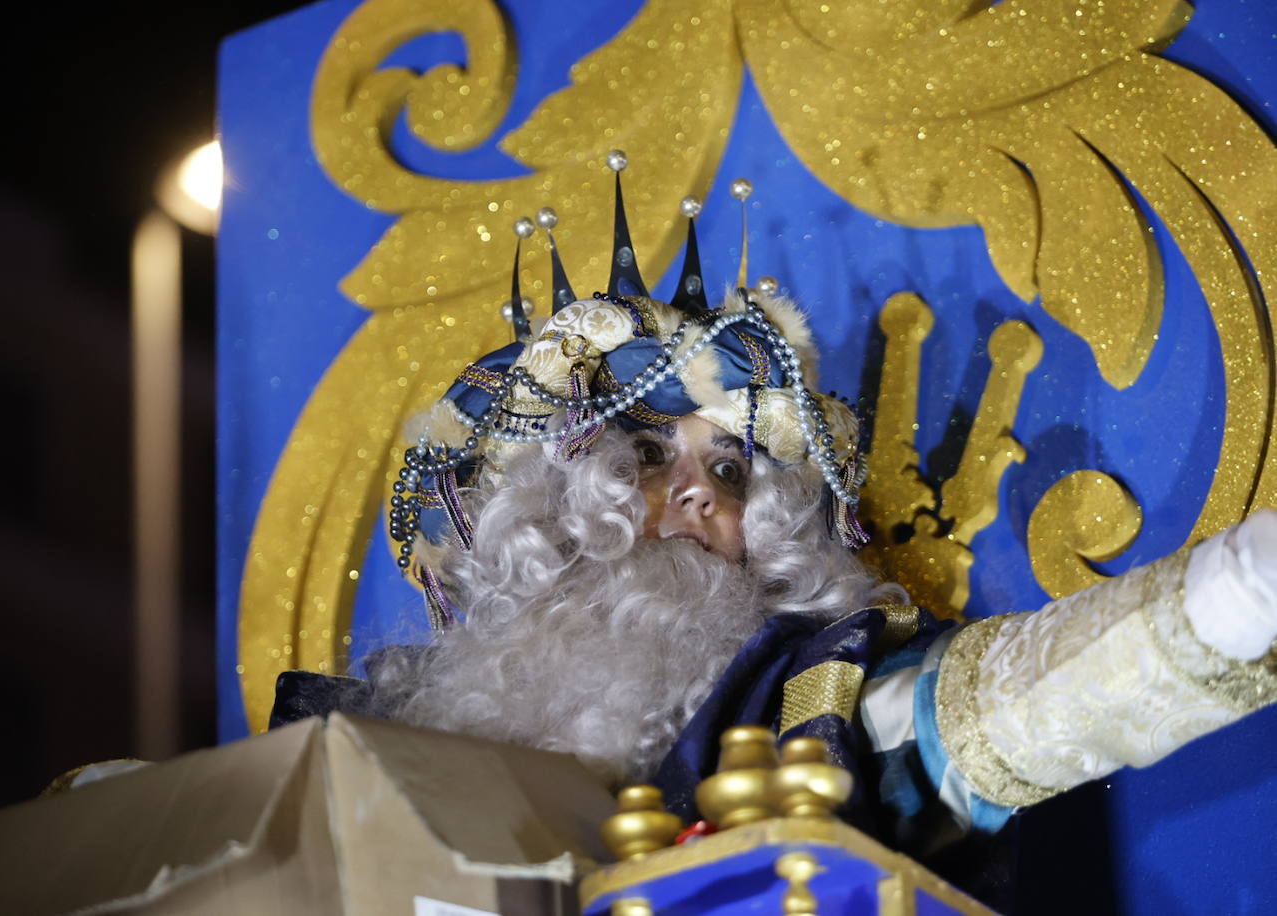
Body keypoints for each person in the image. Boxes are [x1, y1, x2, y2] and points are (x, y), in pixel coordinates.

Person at [270, 157, 1277, 883]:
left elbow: (995, 714)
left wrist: (1241, 592)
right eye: (652, 455)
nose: (700, 491)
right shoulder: (370, 735)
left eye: (733, 466)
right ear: (556, 508)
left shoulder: (797, 706)